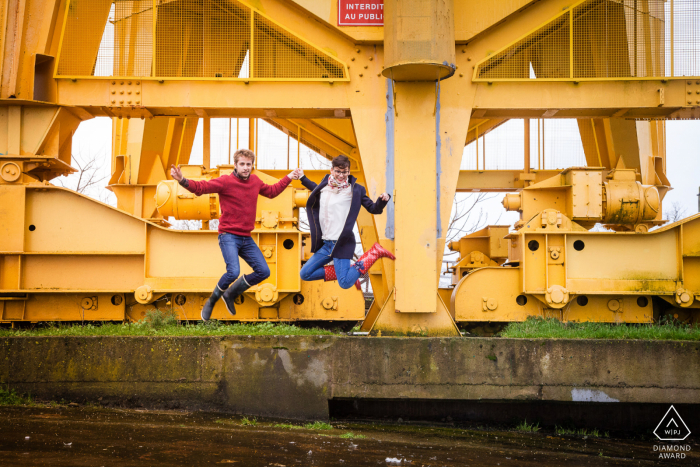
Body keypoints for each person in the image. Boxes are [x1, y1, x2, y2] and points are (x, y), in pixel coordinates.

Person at [170, 149, 302, 321]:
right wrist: (182, 180)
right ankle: (212, 300)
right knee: (233, 272)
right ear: (235, 165)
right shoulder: (226, 181)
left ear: (252, 165)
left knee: (263, 271)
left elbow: (271, 192)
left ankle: (231, 294)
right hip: (228, 235)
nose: (246, 168)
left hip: (245, 237)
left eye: (249, 164)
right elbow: (202, 188)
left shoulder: (254, 181)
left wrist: (289, 177)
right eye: (242, 164)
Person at [298, 155, 395, 290]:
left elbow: (374, 209)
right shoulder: (325, 186)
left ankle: (374, 253)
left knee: (344, 283)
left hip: (341, 243)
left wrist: (383, 200)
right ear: (332, 170)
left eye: (344, 172)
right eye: (338, 171)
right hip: (326, 244)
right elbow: (315, 189)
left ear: (349, 172)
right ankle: (351, 271)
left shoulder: (355, 190)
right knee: (305, 273)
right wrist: (302, 178)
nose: (341, 175)